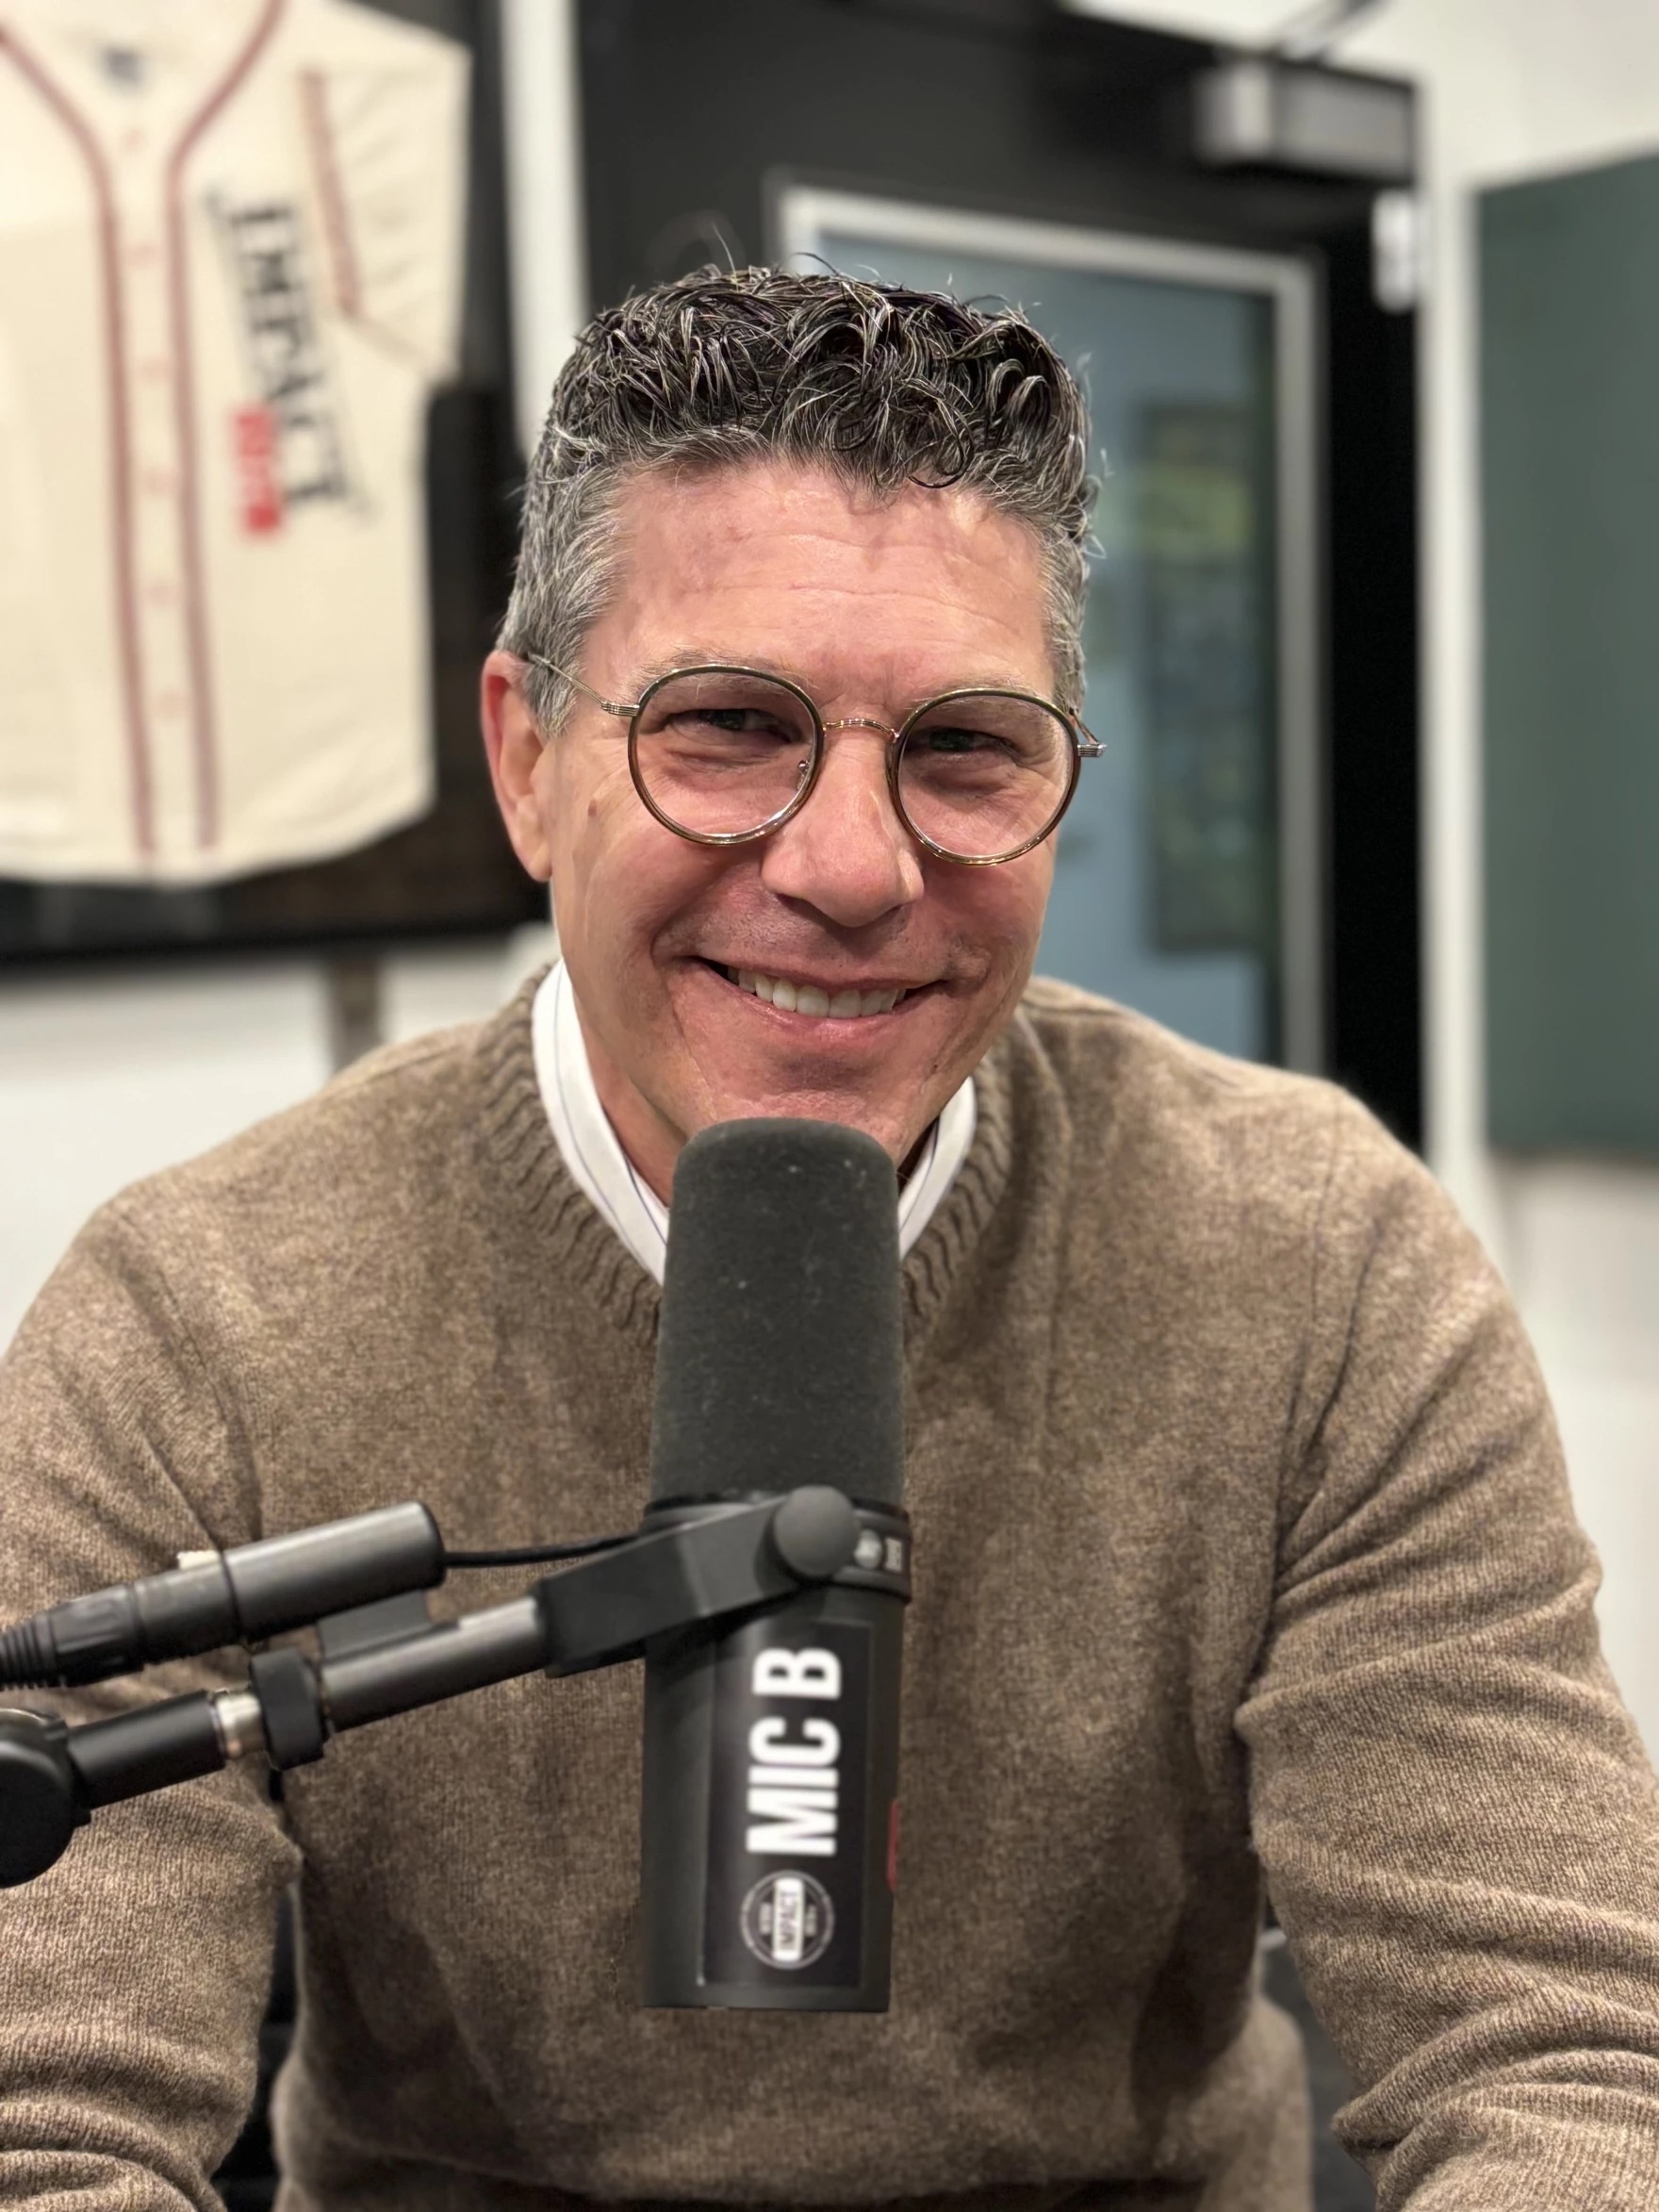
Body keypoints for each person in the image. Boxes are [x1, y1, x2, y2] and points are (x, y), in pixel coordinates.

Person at [2, 269, 1657, 2212]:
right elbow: (48, 2122)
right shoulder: (199, 1315)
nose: (853, 868)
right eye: (726, 729)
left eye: (965, 751)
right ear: (530, 758)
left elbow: (1555, 2057)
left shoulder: (1320, 1269)